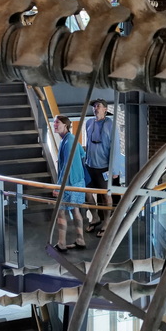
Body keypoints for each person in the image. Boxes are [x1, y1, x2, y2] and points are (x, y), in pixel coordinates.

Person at [84, 98, 120, 236]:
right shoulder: (89, 123)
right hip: (90, 165)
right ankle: (95, 217)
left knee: (106, 195)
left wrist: (115, 169)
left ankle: (107, 222)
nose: (95, 108)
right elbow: (87, 143)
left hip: (103, 167)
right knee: (87, 192)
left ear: (105, 109)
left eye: (98, 106)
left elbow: (115, 147)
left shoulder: (110, 124)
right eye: (94, 106)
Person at [52, 115, 87, 252]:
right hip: (77, 181)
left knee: (61, 212)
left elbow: (67, 165)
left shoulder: (68, 141)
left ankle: (61, 243)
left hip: (69, 183)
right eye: (54, 122)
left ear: (65, 125)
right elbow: (82, 154)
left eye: (57, 123)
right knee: (75, 210)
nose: (55, 124)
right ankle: (80, 239)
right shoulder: (70, 139)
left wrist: (58, 187)